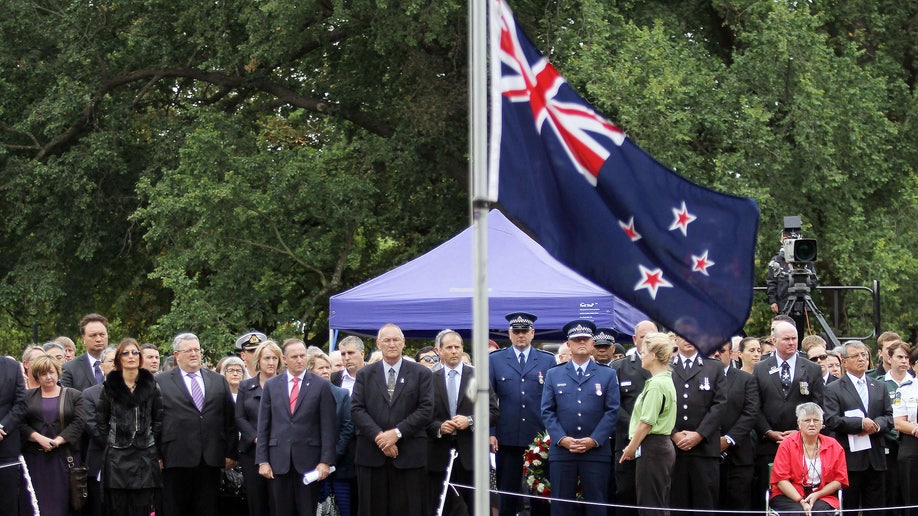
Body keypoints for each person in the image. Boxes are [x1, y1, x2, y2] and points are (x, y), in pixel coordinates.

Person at [351, 323, 434, 516]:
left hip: (409, 455)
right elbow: (356, 409)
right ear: (378, 343)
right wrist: (380, 437)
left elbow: (426, 409)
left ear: (403, 342)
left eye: (396, 339)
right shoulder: (365, 374)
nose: (391, 344)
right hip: (372, 455)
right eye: (386, 340)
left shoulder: (421, 373)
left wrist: (397, 433)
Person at [541, 320, 620, 516]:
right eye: (576, 340)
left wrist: (594, 440)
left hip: (596, 451)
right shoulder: (554, 374)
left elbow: (612, 411)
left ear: (593, 343)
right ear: (569, 345)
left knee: (597, 505)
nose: (581, 342)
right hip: (563, 451)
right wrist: (562, 439)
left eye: (585, 339)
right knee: (561, 506)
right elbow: (547, 411)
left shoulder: (607, 375)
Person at [156, 332, 238, 516]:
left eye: (197, 350)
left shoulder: (217, 380)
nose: (194, 354)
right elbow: (154, 421)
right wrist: (156, 455)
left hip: (211, 459)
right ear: (177, 355)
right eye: (188, 351)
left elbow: (230, 419)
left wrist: (230, 452)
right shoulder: (160, 381)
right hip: (175, 459)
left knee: (207, 509)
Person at [256, 340, 337, 516]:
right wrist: (262, 460)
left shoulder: (320, 385)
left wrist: (325, 461)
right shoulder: (272, 385)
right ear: (284, 359)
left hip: (310, 462)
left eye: (302, 355)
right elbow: (263, 425)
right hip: (278, 461)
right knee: (281, 510)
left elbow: (328, 427)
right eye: (294, 357)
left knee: (306, 510)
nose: (300, 360)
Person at [752, 320, 825, 509]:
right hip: (769, 443)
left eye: (794, 339)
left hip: (802, 443)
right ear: (774, 340)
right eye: (786, 339)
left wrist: (800, 432)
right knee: (768, 495)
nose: (792, 342)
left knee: (800, 496)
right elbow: (755, 406)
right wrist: (768, 431)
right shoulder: (760, 368)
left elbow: (817, 405)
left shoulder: (812, 369)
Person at [489, 312, 555, 516]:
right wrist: (490, 432)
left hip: (539, 439)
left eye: (524, 331)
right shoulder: (495, 360)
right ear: (509, 334)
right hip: (506, 438)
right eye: (516, 331)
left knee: (540, 495)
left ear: (532, 333)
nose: (520, 335)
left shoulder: (548, 360)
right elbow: (487, 401)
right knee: (507, 494)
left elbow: (553, 402)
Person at [426, 330, 498, 515]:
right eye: (448, 347)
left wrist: (471, 420)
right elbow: (423, 416)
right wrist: (439, 427)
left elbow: (493, 412)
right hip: (439, 454)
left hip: (471, 455)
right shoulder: (428, 380)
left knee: (475, 508)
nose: (454, 351)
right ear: (439, 351)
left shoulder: (477, 377)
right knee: (441, 507)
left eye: (457, 347)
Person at [95, 338, 164, 515]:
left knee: (142, 506)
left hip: (144, 453)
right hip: (117, 454)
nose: (131, 356)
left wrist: (148, 439)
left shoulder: (152, 385)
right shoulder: (109, 386)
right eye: (125, 353)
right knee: (118, 507)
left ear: (140, 357)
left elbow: (158, 419)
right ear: (119, 359)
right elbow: (101, 421)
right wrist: (114, 439)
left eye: (135, 352)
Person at [824, 340, 893, 514]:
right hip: (849, 459)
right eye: (856, 356)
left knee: (877, 509)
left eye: (864, 355)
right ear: (844, 361)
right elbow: (832, 420)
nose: (861, 359)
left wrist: (877, 425)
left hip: (875, 457)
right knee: (850, 507)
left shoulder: (879, 386)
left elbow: (889, 417)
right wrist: (860, 424)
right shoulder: (833, 389)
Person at [668, 333, 728, 515]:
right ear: (675, 339)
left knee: (705, 505)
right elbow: (659, 404)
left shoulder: (713, 366)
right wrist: (673, 433)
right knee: (677, 504)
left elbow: (720, 404)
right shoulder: (666, 366)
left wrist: (700, 434)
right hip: (673, 449)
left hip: (705, 449)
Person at [20, 355, 86, 515]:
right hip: (36, 459)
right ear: (36, 376)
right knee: (38, 505)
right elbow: (20, 423)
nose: (48, 377)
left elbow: (79, 422)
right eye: (43, 374)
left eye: (51, 372)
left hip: (65, 459)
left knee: (63, 506)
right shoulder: (27, 397)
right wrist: (38, 438)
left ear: (58, 372)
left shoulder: (74, 395)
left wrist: (58, 441)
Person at [619, 332, 676, 516]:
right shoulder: (664, 380)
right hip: (660, 447)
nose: (640, 355)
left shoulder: (656, 385)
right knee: (658, 502)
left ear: (653, 355)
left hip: (652, 447)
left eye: (643, 352)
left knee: (650, 504)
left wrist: (630, 448)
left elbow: (646, 422)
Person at [610, 320, 656, 516]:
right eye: (644, 337)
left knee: (654, 498)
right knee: (626, 495)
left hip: (656, 442)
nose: (648, 341)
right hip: (626, 443)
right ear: (635, 339)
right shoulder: (619, 367)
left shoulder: (667, 366)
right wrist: (637, 429)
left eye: (652, 337)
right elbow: (613, 404)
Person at [768, 402, 848, 516]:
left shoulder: (834, 445)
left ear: (822, 424)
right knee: (798, 513)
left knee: (819, 513)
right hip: (788, 496)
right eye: (807, 420)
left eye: (816, 420)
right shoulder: (787, 444)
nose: (811, 424)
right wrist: (801, 500)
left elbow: (840, 480)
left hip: (822, 495)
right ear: (799, 424)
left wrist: (817, 495)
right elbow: (781, 480)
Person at [709, 341, 758, 510]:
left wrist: (728, 439)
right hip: (707, 454)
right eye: (712, 350)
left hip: (738, 459)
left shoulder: (746, 379)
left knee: (739, 507)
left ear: (731, 353)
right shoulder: (700, 377)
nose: (716, 354)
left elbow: (751, 413)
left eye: (721, 350)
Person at [236, 340, 282, 516]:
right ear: (258, 361)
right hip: (252, 452)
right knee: (256, 502)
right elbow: (239, 417)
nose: (271, 362)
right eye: (266, 358)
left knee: (278, 502)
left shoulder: (286, 385)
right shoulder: (246, 386)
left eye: (274, 358)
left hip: (279, 451)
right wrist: (256, 438)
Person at [308, 353, 355, 516]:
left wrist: (330, 459)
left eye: (328, 367)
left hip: (339, 467)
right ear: (310, 371)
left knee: (342, 509)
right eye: (320, 368)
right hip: (310, 468)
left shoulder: (342, 394)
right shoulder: (303, 396)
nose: (326, 371)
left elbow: (347, 427)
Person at [81, 346, 117, 516]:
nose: (117, 365)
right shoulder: (90, 395)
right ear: (102, 366)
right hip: (101, 462)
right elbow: (93, 427)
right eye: (112, 361)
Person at [765, 224, 817, 337]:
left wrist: (804, 283)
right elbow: (771, 282)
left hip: (802, 300)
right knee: (783, 330)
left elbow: (813, 280)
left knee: (799, 331)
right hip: (783, 301)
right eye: (786, 237)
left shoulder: (806, 259)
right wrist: (773, 301)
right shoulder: (777, 260)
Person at [893, 345, 918, 516]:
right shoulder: (905, 389)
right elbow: (899, 422)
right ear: (914, 365)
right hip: (912, 442)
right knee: (911, 496)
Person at [0, 355, 27, 515]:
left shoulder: (12, 366)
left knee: (8, 506)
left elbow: (20, 404)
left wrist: (3, 426)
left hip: (6, 452)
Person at [62, 313, 111, 392]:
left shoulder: (120, 364)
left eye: (102, 335)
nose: (98, 339)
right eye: (93, 335)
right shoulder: (70, 369)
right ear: (83, 338)